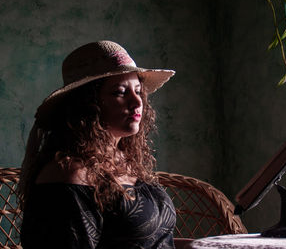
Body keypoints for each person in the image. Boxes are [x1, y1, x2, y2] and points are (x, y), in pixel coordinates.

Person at [18, 40, 180, 248]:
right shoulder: (69, 174)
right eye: (120, 92)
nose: (137, 101)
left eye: (138, 91)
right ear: (87, 104)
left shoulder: (126, 160)